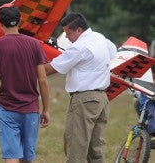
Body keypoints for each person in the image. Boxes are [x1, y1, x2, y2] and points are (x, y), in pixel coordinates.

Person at [0, 4, 50, 163]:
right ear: (20, 20)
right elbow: (42, 79)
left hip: (7, 109)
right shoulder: (34, 44)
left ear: (0, 22)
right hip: (31, 109)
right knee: (27, 158)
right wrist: (46, 110)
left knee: (12, 156)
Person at [44, 12, 117, 163]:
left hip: (84, 100)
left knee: (75, 146)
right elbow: (113, 52)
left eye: (68, 33)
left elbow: (49, 69)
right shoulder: (99, 37)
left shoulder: (79, 48)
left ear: (79, 30)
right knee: (96, 148)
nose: (67, 38)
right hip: (102, 99)